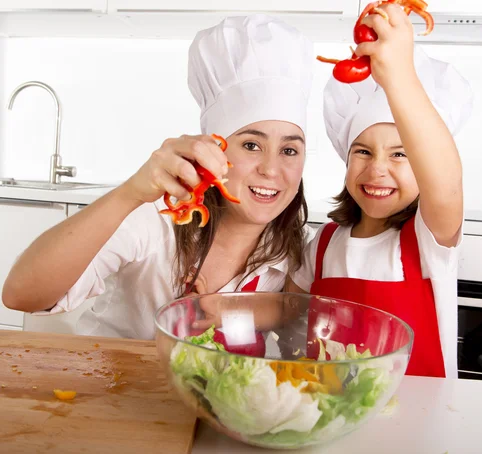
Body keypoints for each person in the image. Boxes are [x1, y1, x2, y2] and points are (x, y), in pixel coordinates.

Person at [2, 14, 316, 340]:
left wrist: (223, 310)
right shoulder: (156, 220)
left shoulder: (295, 246)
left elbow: (293, 311)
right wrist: (131, 193)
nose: (271, 169)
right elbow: (20, 295)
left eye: (290, 150)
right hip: (113, 381)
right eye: (252, 145)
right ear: (215, 150)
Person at [286, 4, 473, 378]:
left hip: (419, 420)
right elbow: (287, 312)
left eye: (401, 154)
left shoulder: (428, 238)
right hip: (331, 412)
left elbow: (445, 183)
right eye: (363, 151)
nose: (377, 169)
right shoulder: (323, 243)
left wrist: (399, 76)